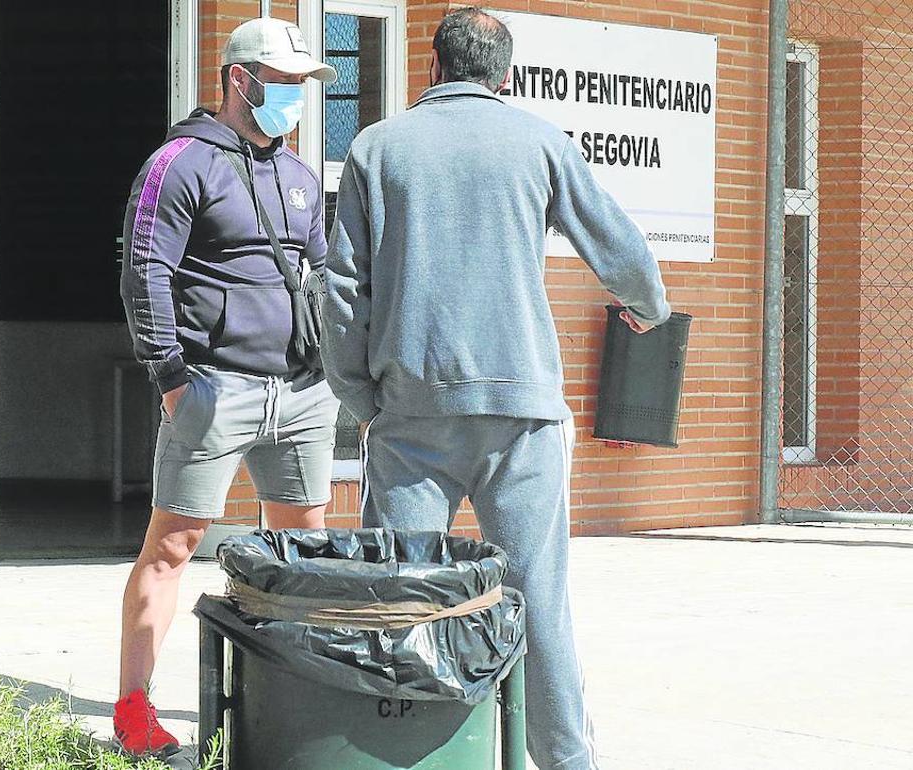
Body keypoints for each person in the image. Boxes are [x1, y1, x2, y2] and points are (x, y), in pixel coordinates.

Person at [322, 8, 671, 770]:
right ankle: (565, 761)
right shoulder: (541, 141)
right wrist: (648, 306)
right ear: (505, 77)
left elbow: (343, 290)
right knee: (537, 600)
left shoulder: (377, 147)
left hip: (412, 413)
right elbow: (616, 241)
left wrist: (364, 399)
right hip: (523, 416)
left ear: (433, 66)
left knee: (404, 599)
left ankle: (406, 752)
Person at [114, 16, 339, 757]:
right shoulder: (179, 163)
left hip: (301, 394)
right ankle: (135, 709)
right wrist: (172, 379)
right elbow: (145, 269)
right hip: (212, 387)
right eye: (282, 85)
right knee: (173, 546)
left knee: (300, 549)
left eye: (304, 86)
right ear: (239, 80)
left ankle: (291, 691)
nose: (295, 99)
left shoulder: (301, 176)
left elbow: (320, 274)